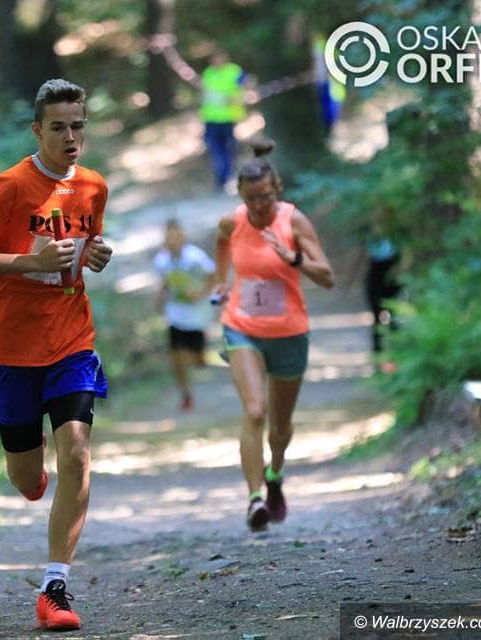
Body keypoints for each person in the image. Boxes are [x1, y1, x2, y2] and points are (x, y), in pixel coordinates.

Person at [0, 78, 113, 631]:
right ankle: (31, 472)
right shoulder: (8, 186)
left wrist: (94, 254)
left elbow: (82, 246)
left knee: (78, 454)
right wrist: (28, 261)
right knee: (25, 478)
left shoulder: (93, 186)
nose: (70, 137)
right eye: (58, 127)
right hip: (10, 346)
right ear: (37, 130)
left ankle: (54, 587)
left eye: (78, 126)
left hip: (70, 338)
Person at [211, 140, 334, 532]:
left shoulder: (294, 222)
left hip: (289, 332)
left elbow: (327, 276)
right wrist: (221, 281)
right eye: (251, 199)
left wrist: (293, 258)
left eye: (265, 196)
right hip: (242, 327)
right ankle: (254, 500)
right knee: (254, 411)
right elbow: (221, 241)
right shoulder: (233, 221)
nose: (259, 205)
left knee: (280, 427)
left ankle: (275, 473)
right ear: (241, 196)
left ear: (276, 189)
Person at [153, 219, 216, 411]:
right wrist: (161, 300)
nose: (172, 241)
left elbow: (213, 276)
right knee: (176, 356)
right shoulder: (161, 261)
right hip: (176, 315)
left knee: (197, 359)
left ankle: (199, 355)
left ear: (183, 238)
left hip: (197, 315)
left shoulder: (195, 258)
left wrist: (201, 293)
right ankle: (185, 394)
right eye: (168, 238)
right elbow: (166, 281)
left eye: (176, 237)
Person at [200, 50, 247, 193]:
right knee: (214, 149)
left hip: (228, 117)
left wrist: (236, 99)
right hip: (211, 118)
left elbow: (249, 85)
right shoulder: (208, 73)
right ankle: (221, 178)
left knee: (228, 148)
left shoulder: (234, 71)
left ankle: (228, 176)